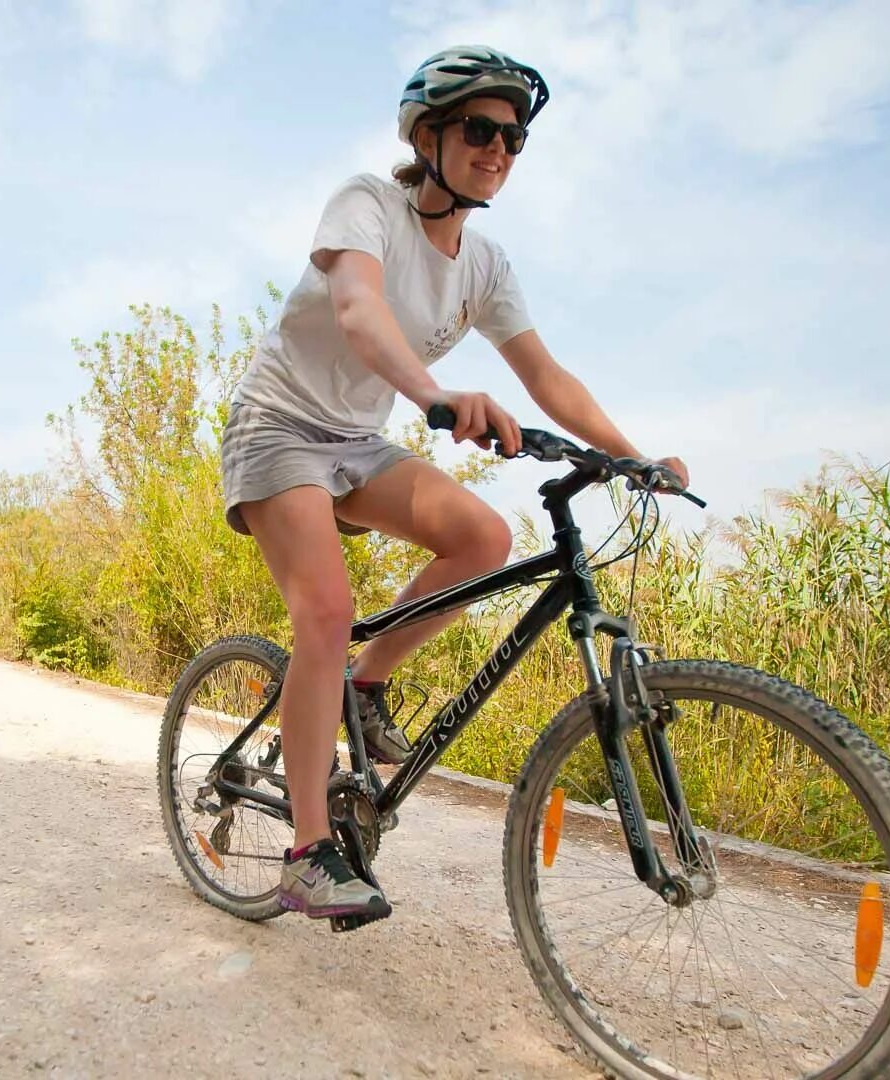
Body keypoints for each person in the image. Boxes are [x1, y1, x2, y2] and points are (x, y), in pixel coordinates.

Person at [219, 45, 690, 922]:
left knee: (484, 538)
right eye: (481, 129)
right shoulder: (368, 204)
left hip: (355, 441)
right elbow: (359, 310)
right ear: (427, 133)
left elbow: (547, 379)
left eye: (515, 139)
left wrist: (636, 456)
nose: (500, 150)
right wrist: (435, 394)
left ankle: (364, 684)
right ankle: (307, 851)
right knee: (322, 608)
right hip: (277, 427)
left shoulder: (485, 265)